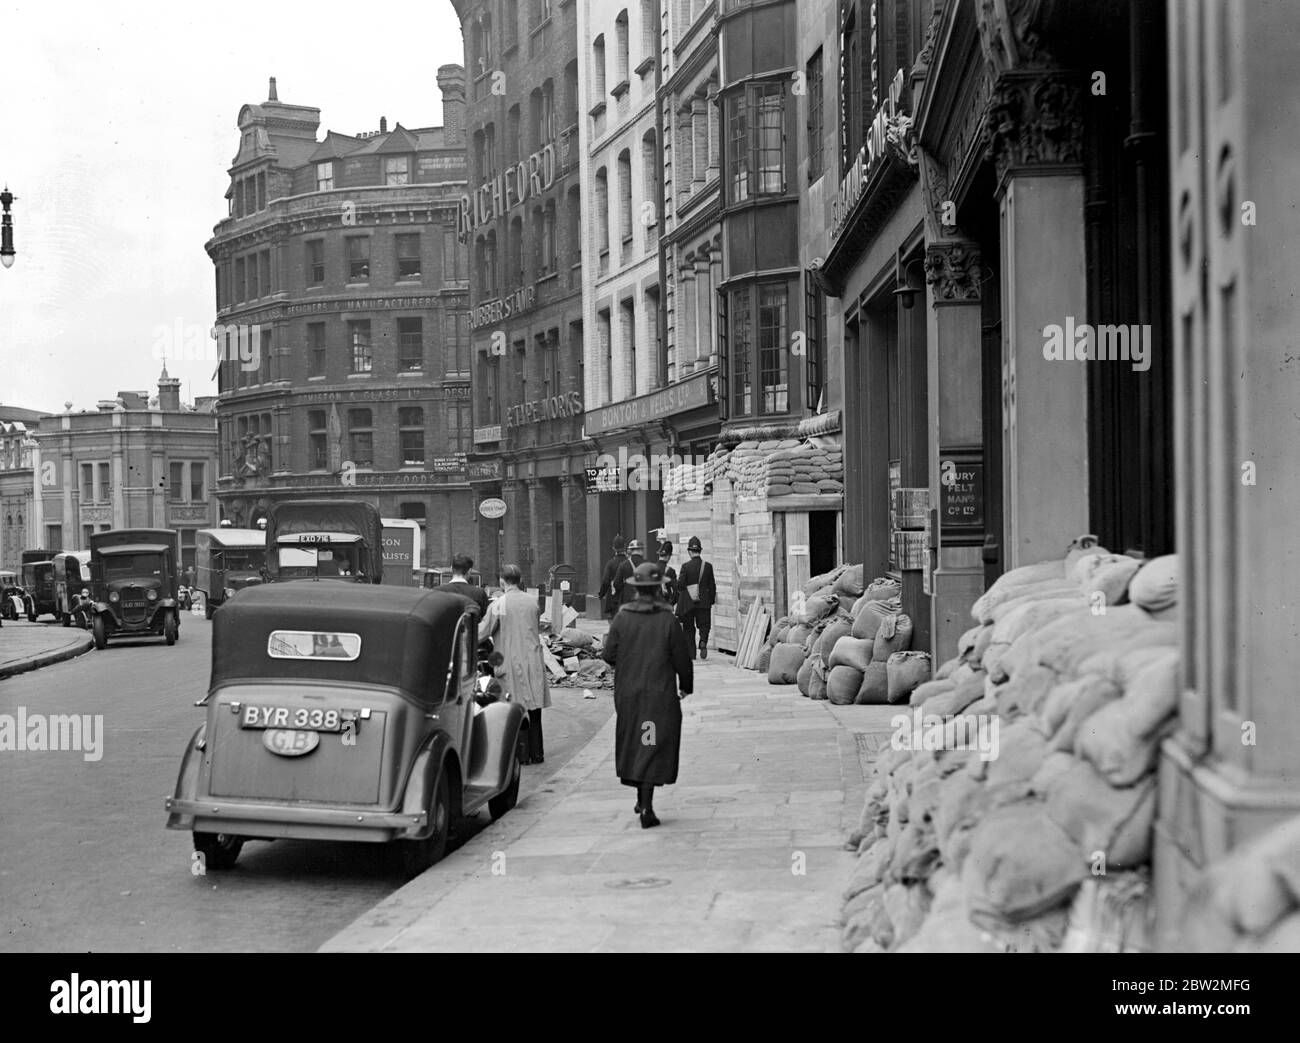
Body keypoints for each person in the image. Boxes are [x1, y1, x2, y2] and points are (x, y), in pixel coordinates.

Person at [603, 560, 694, 829]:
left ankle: (641, 797)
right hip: (657, 695)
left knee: (639, 742)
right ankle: (646, 806)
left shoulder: (622, 617)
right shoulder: (667, 619)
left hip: (629, 695)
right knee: (650, 742)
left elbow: (608, 655)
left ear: (636, 589)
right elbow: (682, 659)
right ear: (658, 589)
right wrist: (686, 686)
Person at [478, 563, 550, 764]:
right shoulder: (532, 601)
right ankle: (537, 753)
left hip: (510, 660)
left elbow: (482, 632)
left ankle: (521, 754)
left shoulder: (499, 604)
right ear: (519, 580)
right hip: (533, 658)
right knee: (535, 709)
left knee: (514, 709)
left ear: (502, 581)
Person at [675, 536, 717, 659]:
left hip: (689, 603)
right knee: (704, 624)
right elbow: (712, 585)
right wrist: (711, 600)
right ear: (700, 550)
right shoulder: (708, 566)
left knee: (688, 627)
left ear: (689, 551)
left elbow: (680, 585)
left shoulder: (685, 566)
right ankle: (703, 641)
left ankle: (691, 653)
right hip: (704, 601)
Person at [443, 552, 489, 618]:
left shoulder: (438, 591)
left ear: (451, 569)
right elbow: (485, 620)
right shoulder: (479, 593)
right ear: (470, 571)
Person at [597, 535, 627, 618]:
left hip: (614, 598)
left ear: (613, 548)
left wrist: (601, 594)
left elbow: (605, 581)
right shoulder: (629, 562)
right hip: (627, 597)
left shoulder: (611, 563)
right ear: (625, 547)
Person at [615, 539, 647, 605]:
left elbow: (616, 583)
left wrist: (626, 587)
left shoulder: (623, 565)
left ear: (630, 551)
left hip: (628, 599)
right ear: (641, 550)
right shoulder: (647, 564)